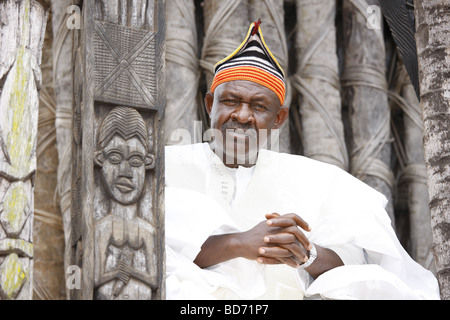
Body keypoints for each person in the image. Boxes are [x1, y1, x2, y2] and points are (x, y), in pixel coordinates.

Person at [164, 20, 440, 300]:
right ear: (210, 105)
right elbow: (145, 246)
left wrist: (306, 253)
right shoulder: (166, 167)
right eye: (231, 101)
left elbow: (358, 262)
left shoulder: (314, 179)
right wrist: (239, 243)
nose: (243, 116)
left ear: (278, 118)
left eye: (259, 106)